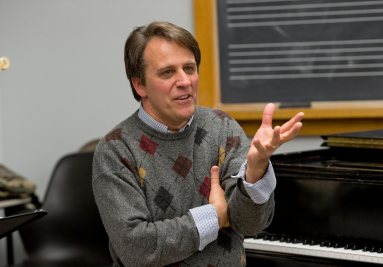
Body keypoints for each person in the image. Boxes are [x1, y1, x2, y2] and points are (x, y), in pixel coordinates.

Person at [92, 21, 304, 267]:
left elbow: (250, 224)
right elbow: (138, 250)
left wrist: (255, 171)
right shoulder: (116, 149)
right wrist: (213, 216)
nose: (185, 81)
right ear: (139, 84)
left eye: (189, 69)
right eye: (167, 72)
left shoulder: (221, 127)